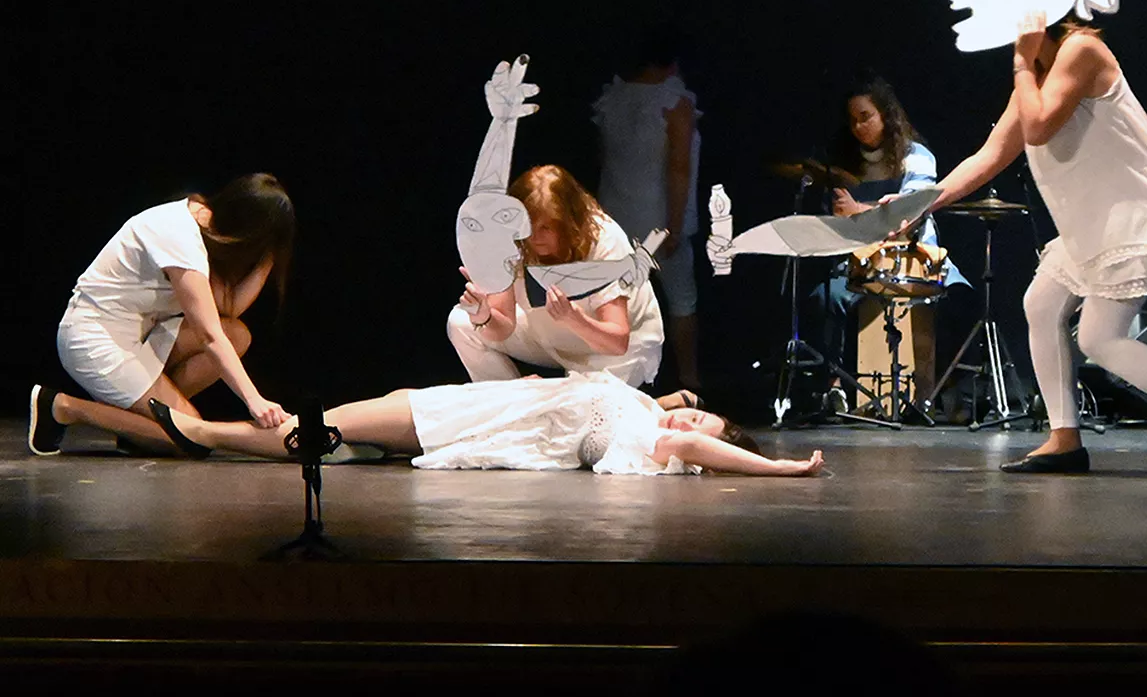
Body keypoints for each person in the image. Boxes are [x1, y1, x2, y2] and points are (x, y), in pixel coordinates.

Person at [925, 12, 1147, 476]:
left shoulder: (1080, 50)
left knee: (1100, 337)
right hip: (1090, 223)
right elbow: (991, 154)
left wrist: (1020, 62)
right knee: (1042, 305)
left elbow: (1037, 128)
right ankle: (1064, 437)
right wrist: (922, 203)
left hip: (1130, 214)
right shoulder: (1037, 74)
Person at [30, 173, 296, 456]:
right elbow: (209, 335)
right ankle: (63, 408)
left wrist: (270, 254)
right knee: (193, 437)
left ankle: (143, 425)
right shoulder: (180, 239)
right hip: (93, 340)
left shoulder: (203, 220)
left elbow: (228, 309)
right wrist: (254, 400)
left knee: (237, 335)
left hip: (139, 336)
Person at [144, 371, 824, 476]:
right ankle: (209, 434)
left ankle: (204, 433)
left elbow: (688, 437)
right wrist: (672, 398)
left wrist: (778, 466)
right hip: (471, 403)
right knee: (337, 427)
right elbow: (678, 410)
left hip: (463, 418)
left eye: (707, 423)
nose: (692, 414)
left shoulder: (651, 440)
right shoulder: (646, 410)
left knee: (320, 425)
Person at [811, 75, 965, 408]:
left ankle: (944, 389)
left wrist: (859, 211)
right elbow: (837, 217)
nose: (857, 126)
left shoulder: (916, 155)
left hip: (916, 256)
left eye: (865, 116)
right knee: (828, 298)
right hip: (860, 261)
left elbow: (913, 209)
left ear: (886, 116)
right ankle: (836, 384)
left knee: (959, 299)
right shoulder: (844, 166)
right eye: (852, 119)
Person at [448, 164, 665, 388]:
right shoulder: (512, 238)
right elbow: (503, 328)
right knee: (461, 323)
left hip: (614, 354)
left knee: (577, 414)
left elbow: (617, 342)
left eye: (547, 228)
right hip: (553, 335)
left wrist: (573, 318)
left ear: (568, 223)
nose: (535, 237)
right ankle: (514, 409)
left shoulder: (604, 240)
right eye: (529, 226)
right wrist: (483, 316)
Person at [593, 35, 702, 389]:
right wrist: (672, 223)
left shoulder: (614, 97)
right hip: (657, 218)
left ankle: (614, 379)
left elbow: (605, 160)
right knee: (681, 300)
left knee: (615, 300)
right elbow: (678, 168)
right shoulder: (673, 101)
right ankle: (689, 380)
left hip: (613, 215)